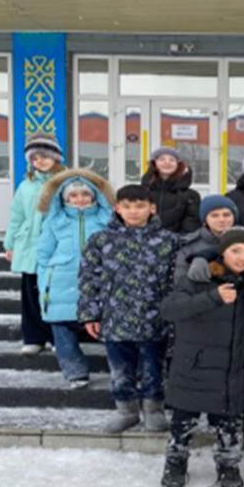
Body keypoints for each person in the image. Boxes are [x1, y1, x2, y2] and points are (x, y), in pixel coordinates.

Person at [159, 227, 244, 487]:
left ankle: (228, 465)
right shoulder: (198, 277)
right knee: (182, 422)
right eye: (235, 250)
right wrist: (212, 297)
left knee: (230, 424)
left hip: (232, 366)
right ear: (223, 252)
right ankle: (175, 463)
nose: (242, 257)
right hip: (194, 364)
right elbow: (169, 309)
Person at [77, 184, 178, 434]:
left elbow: (176, 280)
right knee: (121, 370)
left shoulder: (169, 241)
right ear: (117, 208)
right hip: (115, 319)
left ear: (152, 208)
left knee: (153, 369)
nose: (133, 211)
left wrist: (174, 315)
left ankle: (154, 410)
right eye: (127, 206)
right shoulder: (101, 240)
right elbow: (88, 278)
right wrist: (90, 313)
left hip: (154, 320)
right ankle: (127, 411)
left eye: (140, 206)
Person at [36, 169, 114, 388]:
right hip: (62, 283)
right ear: (65, 199)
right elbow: (43, 255)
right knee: (62, 329)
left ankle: (120, 368)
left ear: (95, 196)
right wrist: (45, 284)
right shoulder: (55, 221)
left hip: (99, 281)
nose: (80, 199)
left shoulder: (106, 220)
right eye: (73, 195)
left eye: (85, 194)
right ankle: (75, 371)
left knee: (110, 326)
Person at [3, 132, 65, 355]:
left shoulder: (65, 182)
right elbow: (17, 216)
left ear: (55, 157)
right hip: (29, 246)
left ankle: (57, 337)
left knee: (54, 294)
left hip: (56, 246)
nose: (40, 161)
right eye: (35, 158)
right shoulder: (26, 185)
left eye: (45, 156)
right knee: (30, 294)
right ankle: (33, 337)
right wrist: (10, 243)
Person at [173, 195, 240, 284]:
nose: (221, 219)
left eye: (226, 215)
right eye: (214, 215)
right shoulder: (189, 246)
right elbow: (180, 283)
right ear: (205, 220)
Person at [141, 146, 201, 234]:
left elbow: (192, 224)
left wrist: (177, 240)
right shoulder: (142, 192)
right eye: (162, 159)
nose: (167, 162)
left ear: (178, 165)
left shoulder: (191, 196)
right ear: (154, 163)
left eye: (172, 160)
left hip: (178, 241)